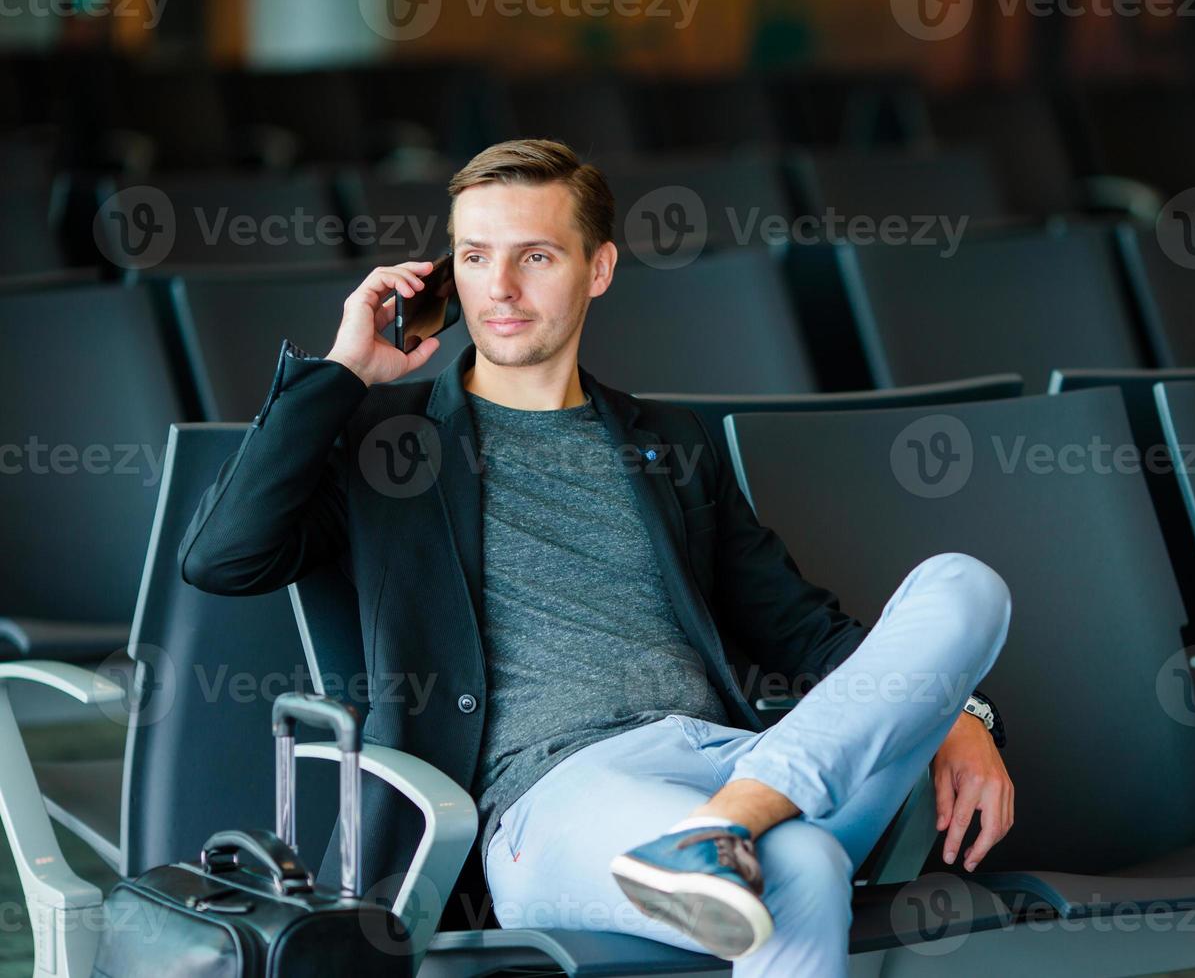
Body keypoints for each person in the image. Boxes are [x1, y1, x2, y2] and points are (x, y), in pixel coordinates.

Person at [179, 138, 1013, 977]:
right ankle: (727, 834)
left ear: (599, 268)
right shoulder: (383, 444)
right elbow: (223, 557)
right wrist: (345, 370)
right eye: (475, 257)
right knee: (802, 869)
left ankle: (728, 823)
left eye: (535, 256)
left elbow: (807, 636)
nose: (499, 288)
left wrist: (958, 715)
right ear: (448, 276)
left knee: (964, 586)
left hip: (735, 760)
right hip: (556, 802)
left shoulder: (670, 444)